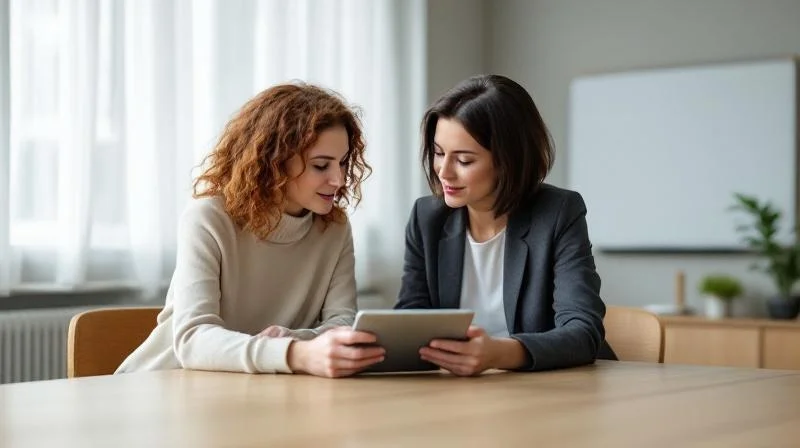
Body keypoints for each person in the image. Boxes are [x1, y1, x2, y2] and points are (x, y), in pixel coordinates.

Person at [116, 83, 385, 378]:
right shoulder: (209, 218)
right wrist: (294, 353)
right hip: (164, 386)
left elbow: (341, 325)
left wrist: (296, 340)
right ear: (276, 162)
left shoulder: (333, 228)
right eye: (321, 166)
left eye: (343, 163)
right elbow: (192, 340)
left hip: (259, 394)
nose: (339, 179)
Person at [395, 74, 613, 376]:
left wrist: (499, 353)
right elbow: (410, 321)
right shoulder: (427, 217)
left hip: (551, 391)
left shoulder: (558, 213)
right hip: (458, 392)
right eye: (439, 153)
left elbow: (583, 331)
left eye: (464, 160)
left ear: (507, 160)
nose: (444, 172)